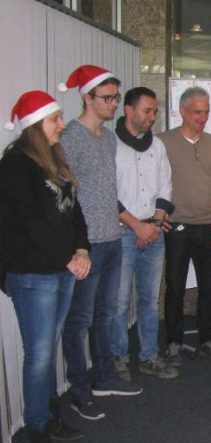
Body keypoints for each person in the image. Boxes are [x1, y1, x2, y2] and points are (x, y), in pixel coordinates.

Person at [0, 91, 91, 443]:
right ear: (36, 124)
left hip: (62, 269)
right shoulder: (15, 165)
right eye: (54, 118)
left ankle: (47, 415)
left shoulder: (55, 159)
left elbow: (74, 212)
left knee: (48, 348)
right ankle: (38, 432)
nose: (60, 124)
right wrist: (68, 257)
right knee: (38, 356)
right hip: (33, 272)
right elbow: (28, 223)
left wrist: (82, 248)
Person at [59, 65, 142, 422]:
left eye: (115, 97)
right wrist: (75, 245)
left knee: (107, 314)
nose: (112, 104)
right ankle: (79, 390)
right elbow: (65, 197)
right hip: (86, 245)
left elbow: (109, 193)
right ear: (87, 97)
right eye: (107, 98)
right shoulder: (69, 138)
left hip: (112, 238)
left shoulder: (109, 139)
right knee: (78, 321)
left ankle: (105, 375)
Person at [159, 86, 211, 366]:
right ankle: (174, 343)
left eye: (206, 112)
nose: (203, 117)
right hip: (175, 227)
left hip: (208, 226)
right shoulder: (163, 142)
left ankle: (207, 340)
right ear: (183, 111)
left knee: (207, 288)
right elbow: (153, 182)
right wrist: (158, 215)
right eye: (197, 112)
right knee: (175, 287)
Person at [112, 86, 177, 381]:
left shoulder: (158, 146)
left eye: (155, 111)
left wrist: (155, 222)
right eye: (147, 110)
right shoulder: (110, 144)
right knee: (120, 300)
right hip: (123, 231)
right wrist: (137, 226)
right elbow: (107, 194)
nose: (153, 116)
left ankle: (149, 355)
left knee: (150, 299)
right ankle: (118, 357)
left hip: (154, 230)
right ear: (129, 110)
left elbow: (166, 185)